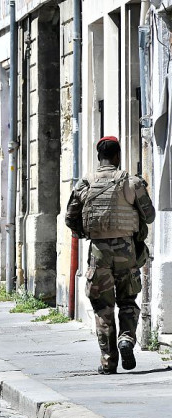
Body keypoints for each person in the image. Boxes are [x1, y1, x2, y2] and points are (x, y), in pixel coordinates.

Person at [65, 136, 155, 375]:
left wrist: (87, 233)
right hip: (127, 252)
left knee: (102, 307)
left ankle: (108, 361)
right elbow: (150, 215)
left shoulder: (84, 184)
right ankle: (126, 339)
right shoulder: (131, 182)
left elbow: (70, 219)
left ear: (99, 158)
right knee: (128, 301)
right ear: (117, 157)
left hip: (98, 253)